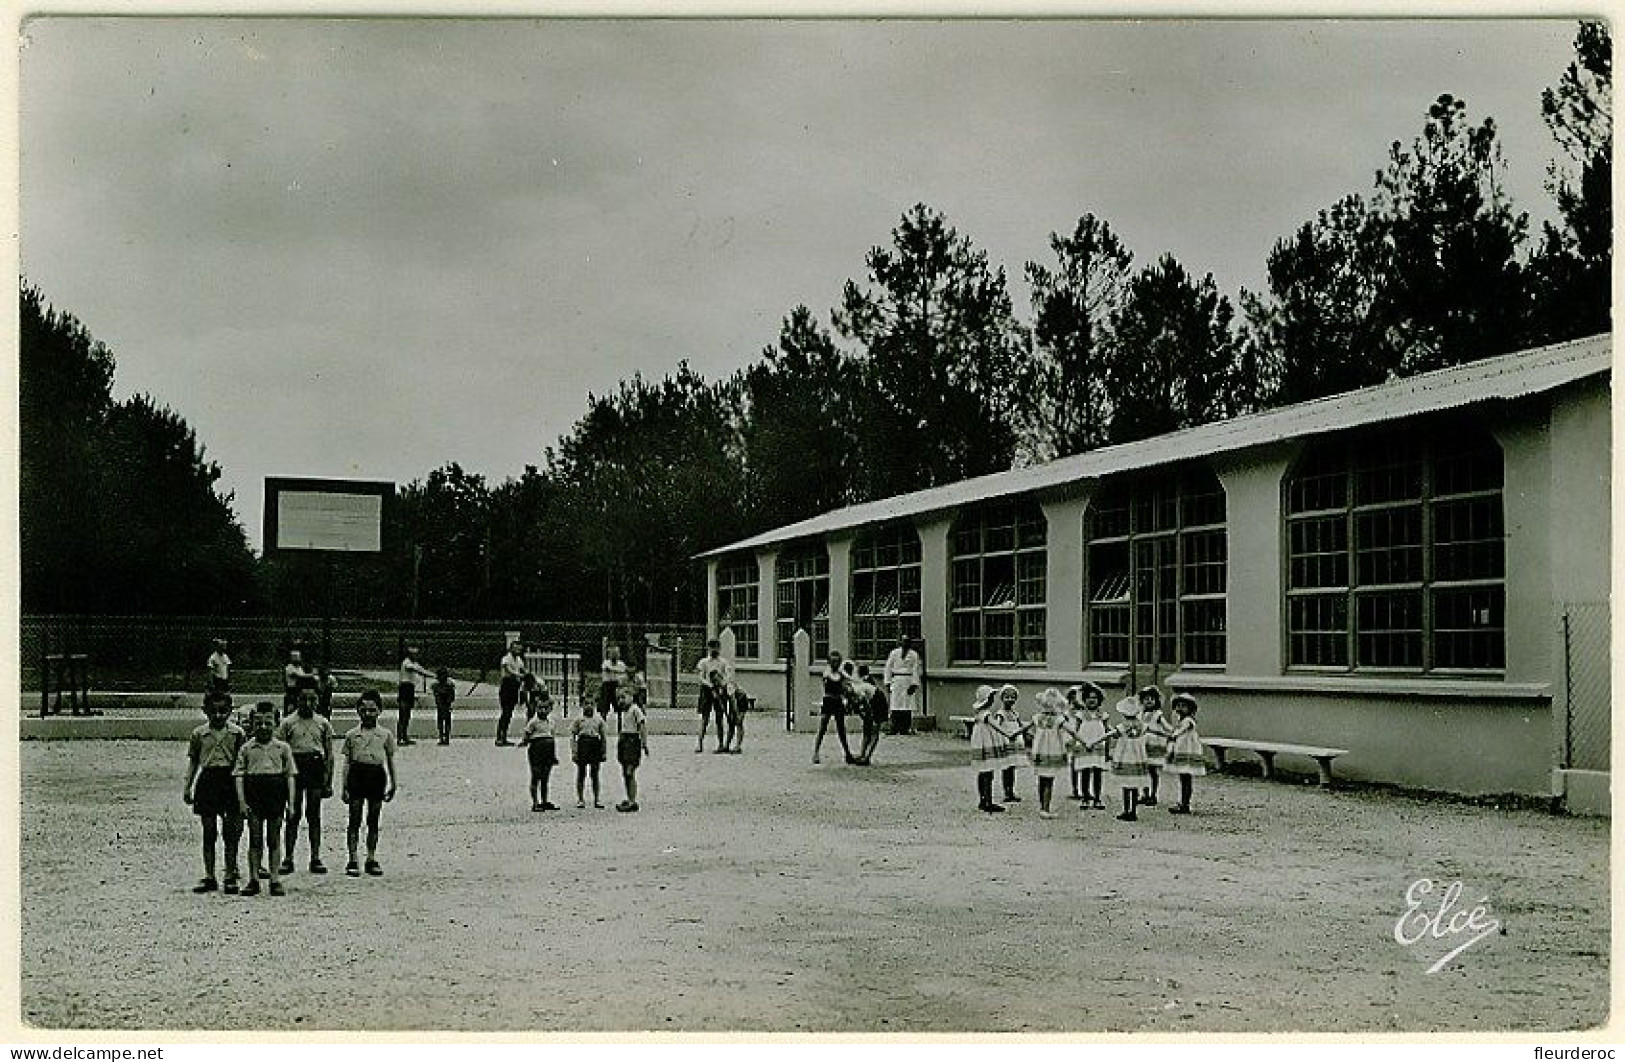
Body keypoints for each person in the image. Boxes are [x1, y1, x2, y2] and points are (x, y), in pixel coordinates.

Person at [183, 691, 246, 894]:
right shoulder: (199, 734)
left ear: (230, 711)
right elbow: (194, 761)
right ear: (205, 711)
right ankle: (209, 875)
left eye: (223, 711)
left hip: (229, 780)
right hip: (208, 781)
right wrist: (188, 786)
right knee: (209, 831)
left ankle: (230, 873)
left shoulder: (237, 733)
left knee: (231, 831)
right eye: (213, 711)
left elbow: (242, 763)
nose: (218, 715)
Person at [233, 702, 296, 897]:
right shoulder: (246, 748)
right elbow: (239, 775)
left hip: (275, 794)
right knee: (255, 838)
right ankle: (253, 878)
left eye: (268, 723)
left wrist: (291, 803)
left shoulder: (283, 748)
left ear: (276, 724)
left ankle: (275, 879)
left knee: (274, 838)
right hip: (255, 794)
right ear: (251, 724)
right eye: (258, 723)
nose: (263, 727)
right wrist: (242, 802)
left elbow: (290, 776)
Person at [277, 688, 335, 875]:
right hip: (295, 767)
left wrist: (328, 780)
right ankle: (288, 857)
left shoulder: (323, 723)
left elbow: (329, 754)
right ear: (297, 700)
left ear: (318, 700)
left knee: (314, 814)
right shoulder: (288, 722)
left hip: (315, 767)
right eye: (303, 699)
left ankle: (315, 857)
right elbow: (281, 752)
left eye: (312, 699)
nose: (308, 703)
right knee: (293, 814)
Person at [341, 690, 397, 877]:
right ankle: (353, 858)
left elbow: (390, 760)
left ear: (379, 711)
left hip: (376, 775)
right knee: (354, 818)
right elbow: (347, 762)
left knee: (373, 818)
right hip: (357, 774)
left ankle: (371, 858)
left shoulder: (385, 734)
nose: (368, 714)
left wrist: (393, 783)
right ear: (358, 711)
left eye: (372, 710)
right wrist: (344, 786)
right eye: (364, 710)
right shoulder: (351, 735)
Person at [1094, 696, 1149, 822]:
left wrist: (1096, 741)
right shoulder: (1142, 726)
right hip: (1137, 758)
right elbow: (1155, 731)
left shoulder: (1123, 726)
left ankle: (1126, 810)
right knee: (1134, 785)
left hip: (1125, 757)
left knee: (1126, 785)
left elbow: (1110, 734)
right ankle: (1133, 811)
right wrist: (1170, 734)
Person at [1027, 688, 1072, 819]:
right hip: (1052, 751)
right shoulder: (1058, 719)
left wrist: (1013, 734)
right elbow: (1071, 731)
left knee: (1042, 779)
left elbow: (1025, 729)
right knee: (1048, 780)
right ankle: (1045, 808)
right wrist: (1083, 740)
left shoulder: (1038, 718)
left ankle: (1043, 806)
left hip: (1040, 751)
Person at [1164, 693, 1207, 815]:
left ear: (1190, 708)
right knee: (1183, 778)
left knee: (1186, 778)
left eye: (1184, 706)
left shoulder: (1188, 720)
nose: (1180, 708)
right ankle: (1183, 802)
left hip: (1188, 751)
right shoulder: (1180, 720)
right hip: (1182, 749)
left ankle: (1185, 804)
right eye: (1178, 705)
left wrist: (1174, 734)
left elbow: (1183, 729)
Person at [1070, 683, 1110, 811]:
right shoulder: (1080, 715)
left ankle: (1097, 798)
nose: (1092, 700)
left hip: (1098, 745)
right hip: (1084, 744)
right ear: (1084, 700)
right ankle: (1085, 797)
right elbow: (1075, 731)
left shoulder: (1103, 715)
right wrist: (1074, 744)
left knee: (1098, 772)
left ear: (1099, 700)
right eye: (1089, 697)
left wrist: (1108, 749)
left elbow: (1107, 732)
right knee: (1085, 772)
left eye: (1095, 697)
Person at [812, 651, 855, 765]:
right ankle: (816, 752)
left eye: (837, 661)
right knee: (822, 727)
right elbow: (833, 678)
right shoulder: (827, 673)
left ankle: (847, 753)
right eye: (833, 661)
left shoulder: (841, 673)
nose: (835, 663)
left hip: (837, 701)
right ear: (829, 662)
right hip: (828, 700)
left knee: (841, 729)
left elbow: (849, 681)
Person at [967, 685, 1005, 812]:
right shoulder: (986, 714)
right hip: (986, 744)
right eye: (991, 698)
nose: (993, 700)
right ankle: (988, 801)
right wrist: (1008, 733)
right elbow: (996, 726)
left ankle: (983, 800)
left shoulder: (979, 714)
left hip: (980, 743)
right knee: (988, 773)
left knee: (983, 772)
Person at [519, 696, 559, 812]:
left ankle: (545, 800)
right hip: (537, 749)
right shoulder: (533, 722)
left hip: (548, 750)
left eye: (545, 708)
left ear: (550, 709)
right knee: (536, 775)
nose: (542, 710)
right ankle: (535, 802)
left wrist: (553, 754)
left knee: (545, 777)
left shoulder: (551, 722)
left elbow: (552, 736)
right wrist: (525, 741)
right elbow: (527, 734)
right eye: (540, 708)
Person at [615, 690, 649, 812]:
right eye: (619, 698)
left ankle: (632, 800)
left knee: (630, 771)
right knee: (625, 771)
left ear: (631, 697)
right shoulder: (624, 712)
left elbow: (642, 725)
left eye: (623, 697)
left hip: (632, 740)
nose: (621, 701)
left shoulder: (635, 710)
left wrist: (644, 743)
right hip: (624, 740)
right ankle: (629, 797)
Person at [992, 685, 1027, 804]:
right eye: (1007, 697)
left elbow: (1020, 725)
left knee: (1012, 767)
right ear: (1002, 698)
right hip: (1006, 741)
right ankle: (1006, 791)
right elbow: (997, 727)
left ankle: (1011, 790)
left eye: (1013, 697)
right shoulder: (1000, 713)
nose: (1010, 700)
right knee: (1006, 767)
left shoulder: (1015, 713)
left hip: (1015, 742)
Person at [882, 635, 922, 735]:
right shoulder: (894, 653)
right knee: (895, 704)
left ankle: (905, 728)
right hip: (897, 680)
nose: (905, 644)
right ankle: (894, 727)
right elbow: (888, 667)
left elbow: (916, 669)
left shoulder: (913, 654)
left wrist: (914, 684)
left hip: (908, 680)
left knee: (907, 705)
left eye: (907, 642)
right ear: (900, 642)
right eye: (903, 641)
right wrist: (887, 682)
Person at [696, 640, 731, 753]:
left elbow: (728, 675)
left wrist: (722, 684)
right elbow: (701, 677)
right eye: (711, 648)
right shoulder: (704, 662)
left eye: (716, 647)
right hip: (707, 691)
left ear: (719, 648)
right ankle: (700, 744)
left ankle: (721, 744)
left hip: (720, 690)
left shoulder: (723, 662)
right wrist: (710, 685)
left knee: (719, 718)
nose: (714, 650)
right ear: (708, 648)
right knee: (704, 718)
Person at [571, 700, 608, 809]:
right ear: (582, 705)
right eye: (586, 704)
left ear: (595, 705)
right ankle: (580, 799)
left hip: (594, 745)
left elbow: (603, 737)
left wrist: (604, 751)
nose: (589, 706)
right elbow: (573, 736)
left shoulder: (599, 719)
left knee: (595, 774)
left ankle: (597, 799)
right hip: (583, 745)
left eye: (591, 704)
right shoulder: (578, 720)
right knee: (581, 773)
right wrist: (574, 751)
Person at [396, 646, 433, 747]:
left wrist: (434, 675)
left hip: (410, 688)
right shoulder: (406, 662)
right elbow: (416, 670)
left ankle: (404, 736)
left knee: (407, 714)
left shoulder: (415, 663)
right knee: (403, 713)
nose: (416, 656)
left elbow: (423, 671)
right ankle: (399, 738)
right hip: (405, 688)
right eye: (414, 654)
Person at [1140, 686, 1170, 807]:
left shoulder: (1157, 715)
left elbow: (1166, 726)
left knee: (1152, 771)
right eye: (1146, 699)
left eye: (1152, 699)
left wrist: (1170, 733)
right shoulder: (1140, 715)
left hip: (1153, 744)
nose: (1149, 701)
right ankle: (1145, 794)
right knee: (1143, 771)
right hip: (1142, 744)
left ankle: (1153, 794)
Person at [853, 663, 888, 765]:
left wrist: (868, 715)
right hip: (871, 703)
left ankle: (867, 756)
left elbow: (865, 701)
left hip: (877, 704)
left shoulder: (863, 685)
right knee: (866, 730)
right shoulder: (861, 683)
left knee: (873, 731)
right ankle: (862, 754)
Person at [497, 641, 527, 745]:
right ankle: (500, 737)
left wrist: (526, 675)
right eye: (516, 649)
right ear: (511, 649)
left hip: (514, 687)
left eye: (519, 649)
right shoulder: (506, 659)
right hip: (507, 686)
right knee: (505, 712)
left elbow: (523, 670)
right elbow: (508, 671)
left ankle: (504, 736)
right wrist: (520, 675)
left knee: (509, 713)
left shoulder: (518, 660)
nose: (518, 651)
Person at [600, 645, 628, 731]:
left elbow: (624, 673)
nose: (614, 655)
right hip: (607, 686)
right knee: (604, 709)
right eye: (612, 653)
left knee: (619, 709)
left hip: (616, 686)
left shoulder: (621, 664)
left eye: (616, 653)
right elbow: (607, 669)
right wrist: (617, 671)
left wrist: (614, 671)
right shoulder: (606, 663)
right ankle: (602, 729)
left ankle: (620, 730)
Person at [431, 667, 457, 746]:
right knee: (443, 722)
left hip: (444, 706)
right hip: (443, 706)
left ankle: (444, 737)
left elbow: (451, 697)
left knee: (444, 722)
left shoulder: (437, 686)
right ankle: (443, 737)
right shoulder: (448, 686)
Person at [282, 649, 311, 717]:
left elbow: (303, 677)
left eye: (298, 658)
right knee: (292, 705)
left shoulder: (299, 668)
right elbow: (299, 676)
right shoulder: (289, 668)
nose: (297, 660)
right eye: (295, 658)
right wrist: (312, 675)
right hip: (292, 689)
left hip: (299, 688)